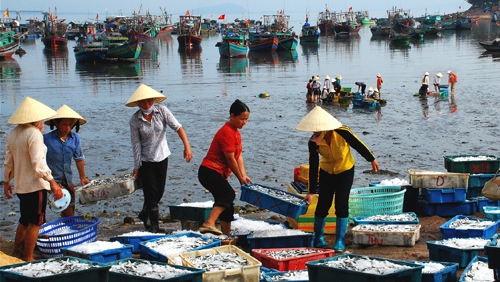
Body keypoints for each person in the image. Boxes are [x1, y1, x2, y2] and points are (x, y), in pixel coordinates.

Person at [295, 106, 379, 252]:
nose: (315, 133)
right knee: (323, 204)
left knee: (341, 203)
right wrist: (310, 192)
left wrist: (371, 159)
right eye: (313, 131)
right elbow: (313, 166)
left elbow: (358, 144)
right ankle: (319, 238)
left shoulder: (342, 131)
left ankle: (339, 240)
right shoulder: (313, 142)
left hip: (345, 170)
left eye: (317, 130)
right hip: (327, 171)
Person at [126, 84, 193, 233]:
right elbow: (135, 144)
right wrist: (137, 166)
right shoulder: (135, 120)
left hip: (162, 156)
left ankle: (145, 213)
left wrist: (186, 147)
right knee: (151, 192)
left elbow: (178, 127)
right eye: (143, 102)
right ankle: (154, 227)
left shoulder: (162, 110)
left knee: (159, 191)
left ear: (155, 100)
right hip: (145, 160)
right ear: (138, 103)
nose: (147, 104)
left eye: (150, 101)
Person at [4, 97, 64, 262]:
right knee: (36, 223)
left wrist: (7, 181)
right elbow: (39, 164)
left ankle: (17, 250)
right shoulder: (34, 134)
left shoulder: (14, 133)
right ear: (36, 119)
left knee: (24, 219)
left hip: (21, 186)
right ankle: (28, 256)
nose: (43, 122)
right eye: (42, 119)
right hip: (35, 186)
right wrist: (53, 183)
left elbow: (9, 161)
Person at [198, 100, 252, 236]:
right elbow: (230, 159)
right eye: (242, 119)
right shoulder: (227, 132)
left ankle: (226, 236)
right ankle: (209, 223)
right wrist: (239, 178)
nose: (244, 122)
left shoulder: (236, 133)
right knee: (228, 194)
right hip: (208, 171)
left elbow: (238, 157)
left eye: (246, 119)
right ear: (232, 115)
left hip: (217, 173)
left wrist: (243, 175)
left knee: (227, 204)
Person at [44, 105, 91, 217]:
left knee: (69, 206)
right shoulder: (46, 139)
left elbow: (79, 158)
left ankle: (68, 227)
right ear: (56, 123)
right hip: (51, 180)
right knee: (63, 207)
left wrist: (83, 177)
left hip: (67, 179)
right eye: (64, 125)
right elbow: (39, 161)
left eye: (70, 125)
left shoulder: (75, 139)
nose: (67, 128)